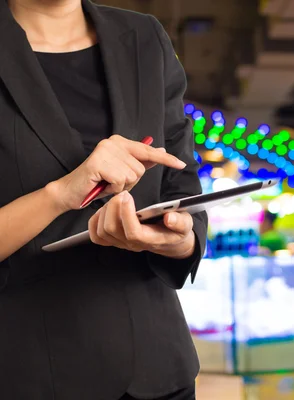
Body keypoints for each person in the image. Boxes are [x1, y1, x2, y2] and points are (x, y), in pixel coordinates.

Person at [0, 1, 208, 399]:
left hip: (157, 368)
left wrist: (181, 240)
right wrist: (60, 194)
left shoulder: (144, 35)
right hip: (27, 371)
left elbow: (181, 183)